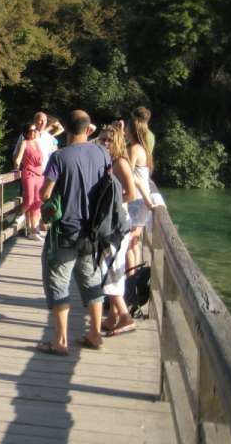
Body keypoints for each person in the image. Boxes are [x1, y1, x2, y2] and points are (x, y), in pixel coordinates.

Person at [36, 109, 111, 355]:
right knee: (91, 282)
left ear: (66, 129)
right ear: (89, 128)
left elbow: (45, 194)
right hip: (92, 232)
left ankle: (60, 341)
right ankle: (95, 334)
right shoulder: (103, 153)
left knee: (59, 282)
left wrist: (47, 208)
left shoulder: (59, 157)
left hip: (65, 231)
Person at [97, 125, 137, 335]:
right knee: (113, 269)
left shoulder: (121, 163)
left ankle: (125, 316)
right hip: (108, 222)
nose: (104, 143)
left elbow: (132, 194)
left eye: (108, 140)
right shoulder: (106, 161)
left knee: (108, 269)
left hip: (117, 223)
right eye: (102, 139)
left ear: (118, 143)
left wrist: (112, 201)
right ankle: (113, 317)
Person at [126, 115, 155, 272]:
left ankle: (130, 280)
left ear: (132, 130)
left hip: (135, 199)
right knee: (134, 242)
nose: (124, 130)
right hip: (142, 199)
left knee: (128, 244)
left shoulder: (133, 149)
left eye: (127, 127)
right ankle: (134, 277)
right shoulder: (144, 149)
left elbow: (130, 176)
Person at [14, 123, 45, 240]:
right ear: (26, 133)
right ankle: (18, 214)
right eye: (31, 130)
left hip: (39, 174)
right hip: (29, 173)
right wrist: (16, 167)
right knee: (30, 200)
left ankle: (33, 231)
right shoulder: (24, 143)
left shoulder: (37, 143)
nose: (34, 132)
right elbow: (19, 158)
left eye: (35, 130)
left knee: (37, 202)